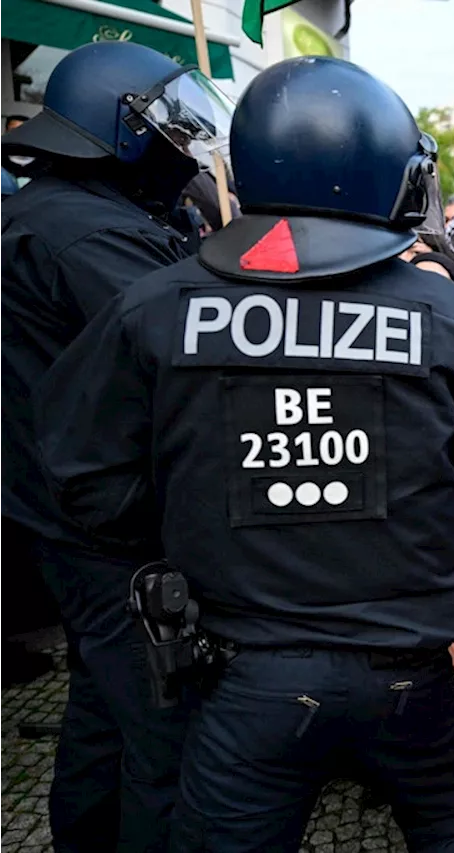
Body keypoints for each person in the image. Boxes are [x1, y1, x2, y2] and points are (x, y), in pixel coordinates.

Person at [34, 55, 454, 853]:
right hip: (411, 677)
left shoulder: (152, 306)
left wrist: (200, 505)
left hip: (243, 681)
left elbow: (82, 475)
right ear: (391, 173)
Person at [0, 41, 232, 853]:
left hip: (67, 516)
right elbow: (192, 359)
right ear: (124, 129)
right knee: (167, 733)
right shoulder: (86, 234)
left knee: (107, 708)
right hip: (111, 530)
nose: (184, 148)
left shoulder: (59, 211)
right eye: (172, 129)